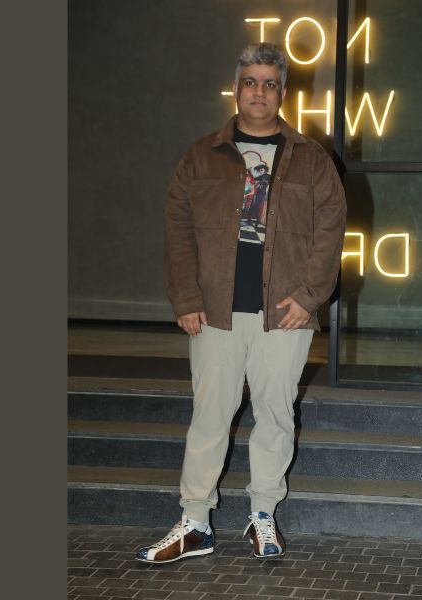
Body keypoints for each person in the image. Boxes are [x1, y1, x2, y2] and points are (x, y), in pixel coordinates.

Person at [135, 42, 347, 564]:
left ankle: (262, 515)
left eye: (270, 83)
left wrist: (309, 297)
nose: (259, 92)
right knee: (210, 415)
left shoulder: (311, 158)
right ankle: (195, 523)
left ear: (282, 92)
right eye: (250, 81)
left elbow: (331, 231)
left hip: (285, 314)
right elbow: (178, 231)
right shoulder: (201, 156)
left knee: (275, 415)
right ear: (235, 89)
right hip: (215, 310)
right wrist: (186, 297)